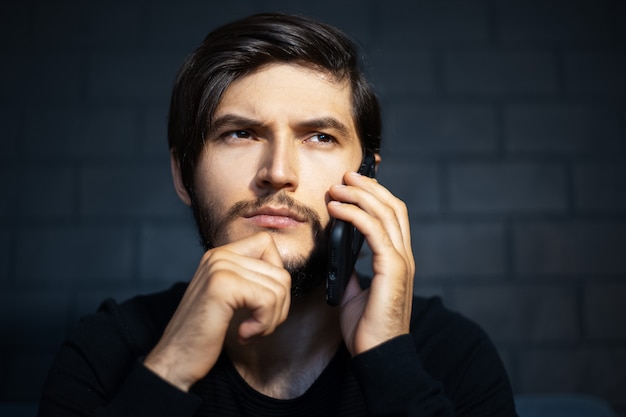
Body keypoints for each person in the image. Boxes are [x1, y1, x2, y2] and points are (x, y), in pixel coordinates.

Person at [38, 13, 517, 417]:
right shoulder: (104, 353)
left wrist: (389, 363)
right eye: (240, 134)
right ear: (183, 176)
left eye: (319, 137)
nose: (278, 172)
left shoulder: (454, 356)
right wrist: (172, 366)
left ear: (367, 179)